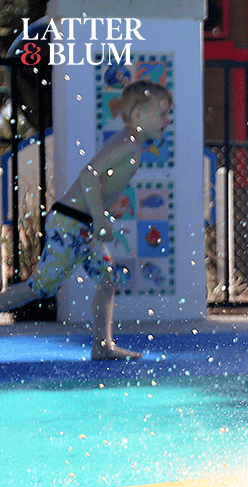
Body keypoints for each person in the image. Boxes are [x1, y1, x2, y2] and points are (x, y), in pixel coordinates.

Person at [0, 80, 173, 360]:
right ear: (139, 115)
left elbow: (100, 183)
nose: (168, 120)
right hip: (71, 222)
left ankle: (102, 345)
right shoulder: (127, 143)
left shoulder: (133, 145)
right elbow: (88, 175)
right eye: (162, 113)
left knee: (108, 279)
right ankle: (101, 344)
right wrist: (99, 217)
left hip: (83, 225)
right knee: (41, 287)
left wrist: (101, 214)